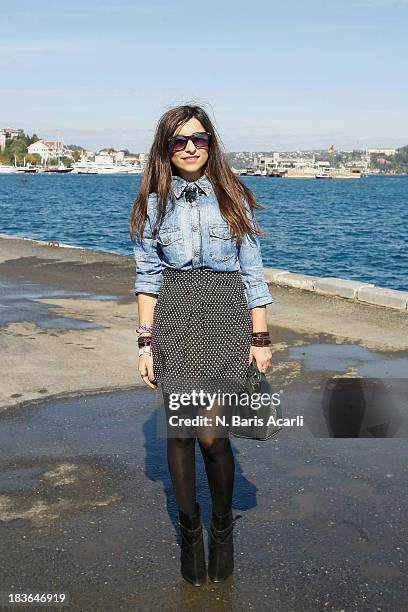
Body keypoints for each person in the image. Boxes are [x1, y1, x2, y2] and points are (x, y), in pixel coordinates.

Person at [130, 104, 273, 587]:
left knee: (213, 436)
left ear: (210, 144)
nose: (190, 147)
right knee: (181, 434)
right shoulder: (154, 204)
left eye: (199, 138)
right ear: (165, 149)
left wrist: (261, 335)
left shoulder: (233, 197)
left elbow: (252, 271)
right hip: (174, 318)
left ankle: (221, 528)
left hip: (225, 315)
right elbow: (147, 277)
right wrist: (145, 343)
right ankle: (191, 534)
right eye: (179, 140)